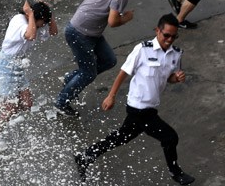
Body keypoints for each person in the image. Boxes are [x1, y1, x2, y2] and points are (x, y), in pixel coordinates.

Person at [74, 14, 195, 185]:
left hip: (151, 106)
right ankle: (176, 172)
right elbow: (124, 72)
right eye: (166, 35)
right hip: (139, 107)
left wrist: (178, 78)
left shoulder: (175, 54)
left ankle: (85, 156)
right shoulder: (143, 49)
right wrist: (111, 95)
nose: (169, 39)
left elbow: (168, 78)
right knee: (170, 138)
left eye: (173, 36)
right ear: (157, 31)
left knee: (122, 137)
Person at [48, 0, 149, 116]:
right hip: (80, 33)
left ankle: (70, 79)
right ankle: (61, 103)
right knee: (88, 73)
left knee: (109, 60)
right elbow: (113, 21)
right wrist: (127, 18)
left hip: (88, 32)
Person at [0, 0, 58, 130]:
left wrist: (50, 14)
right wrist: (31, 14)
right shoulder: (19, 20)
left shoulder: (33, 23)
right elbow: (30, 35)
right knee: (11, 106)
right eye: (41, 23)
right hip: (5, 66)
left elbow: (53, 32)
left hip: (17, 66)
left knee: (27, 104)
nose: (42, 27)